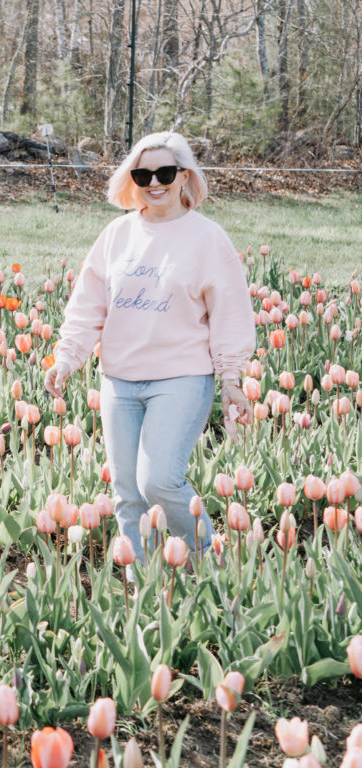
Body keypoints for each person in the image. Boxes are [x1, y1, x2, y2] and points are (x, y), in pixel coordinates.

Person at [43, 131, 254, 562]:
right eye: (143, 174)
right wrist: (68, 356)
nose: (154, 182)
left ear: (184, 176)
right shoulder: (118, 234)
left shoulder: (207, 238)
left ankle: (207, 560)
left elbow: (230, 313)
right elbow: (88, 303)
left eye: (165, 172)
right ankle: (143, 586)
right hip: (119, 381)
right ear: (132, 179)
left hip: (181, 378)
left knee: (157, 480)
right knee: (126, 492)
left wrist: (231, 378)